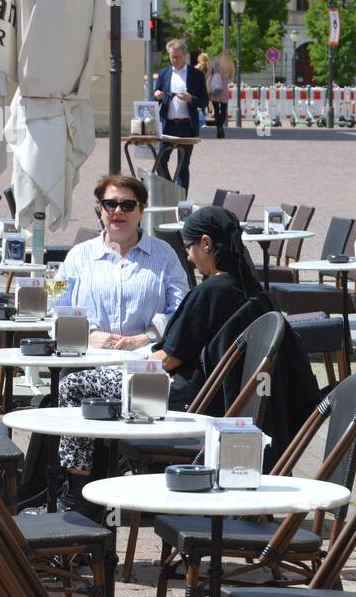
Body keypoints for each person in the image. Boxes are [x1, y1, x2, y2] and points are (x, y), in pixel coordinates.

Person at [56, 206, 261, 471]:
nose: (188, 257)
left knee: (73, 383)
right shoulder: (250, 288)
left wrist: (131, 358)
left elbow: (168, 357)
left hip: (176, 392)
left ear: (207, 244)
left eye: (190, 247)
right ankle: (99, 470)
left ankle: (77, 480)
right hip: (209, 390)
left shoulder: (201, 284)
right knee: (82, 379)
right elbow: (56, 293)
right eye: (108, 204)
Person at [56, 174, 189, 351]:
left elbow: (181, 311)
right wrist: (86, 337)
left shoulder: (165, 254)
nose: (118, 211)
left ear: (141, 210)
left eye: (127, 205)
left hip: (144, 362)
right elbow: (55, 307)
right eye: (110, 204)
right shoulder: (76, 255)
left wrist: (147, 338)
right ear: (100, 208)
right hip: (87, 359)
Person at [153, 38, 209, 192]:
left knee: (183, 165)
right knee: (160, 162)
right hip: (168, 125)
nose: (174, 60)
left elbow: (204, 101)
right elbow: (155, 97)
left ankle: (181, 201)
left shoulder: (196, 75)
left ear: (185, 56)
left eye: (177, 57)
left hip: (187, 125)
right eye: (172, 57)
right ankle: (171, 190)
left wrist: (191, 99)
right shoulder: (164, 73)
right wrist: (157, 96)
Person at [208, 50, 232, 139]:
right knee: (223, 110)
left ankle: (218, 128)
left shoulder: (216, 63)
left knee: (216, 110)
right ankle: (221, 126)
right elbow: (230, 77)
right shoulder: (230, 65)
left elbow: (208, 74)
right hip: (224, 89)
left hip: (215, 88)